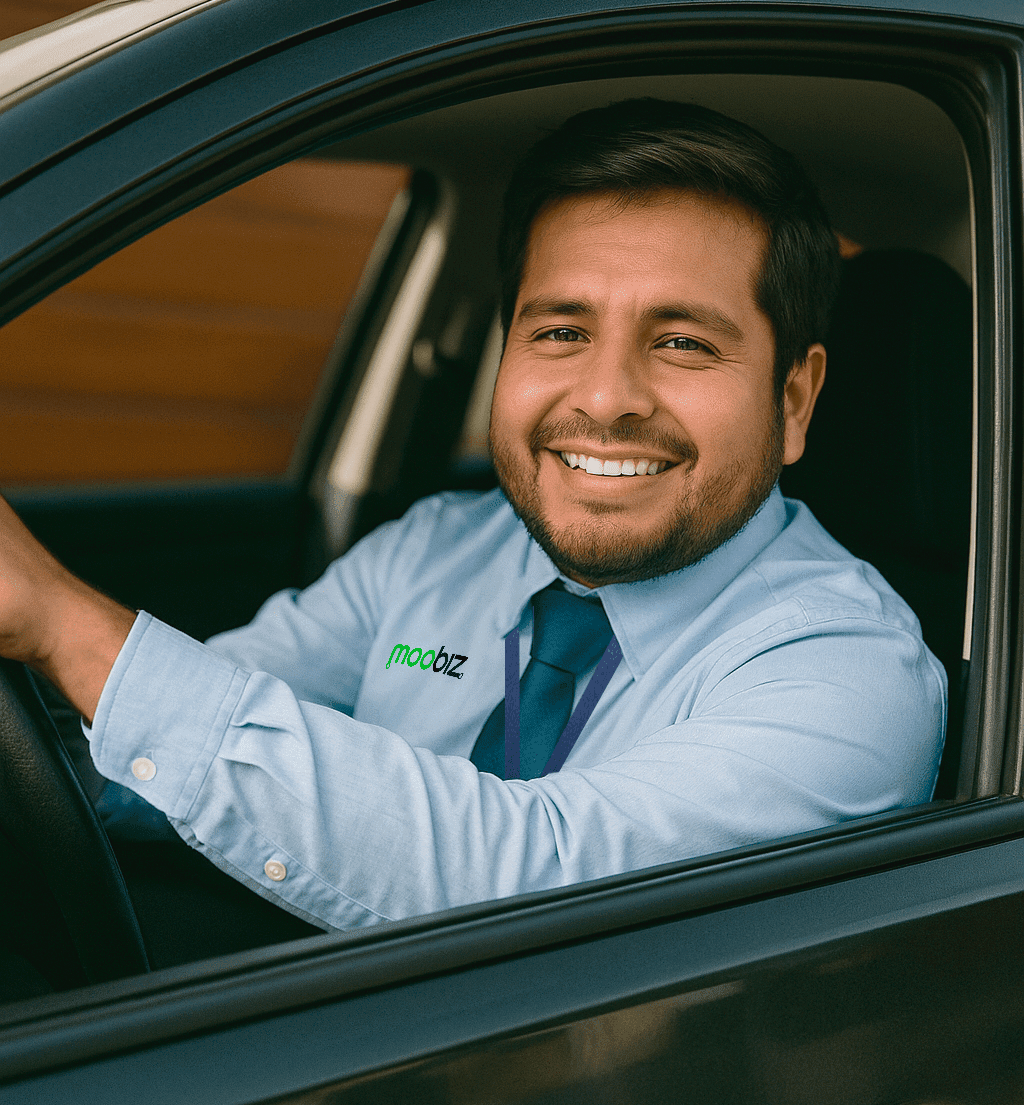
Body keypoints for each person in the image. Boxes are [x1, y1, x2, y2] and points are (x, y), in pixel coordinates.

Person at [0, 100, 945, 932]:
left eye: (685, 342)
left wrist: (65, 625)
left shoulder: (846, 675)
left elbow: (535, 880)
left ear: (792, 401)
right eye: (562, 331)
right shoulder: (436, 549)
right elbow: (166, 743)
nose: (607, 397)